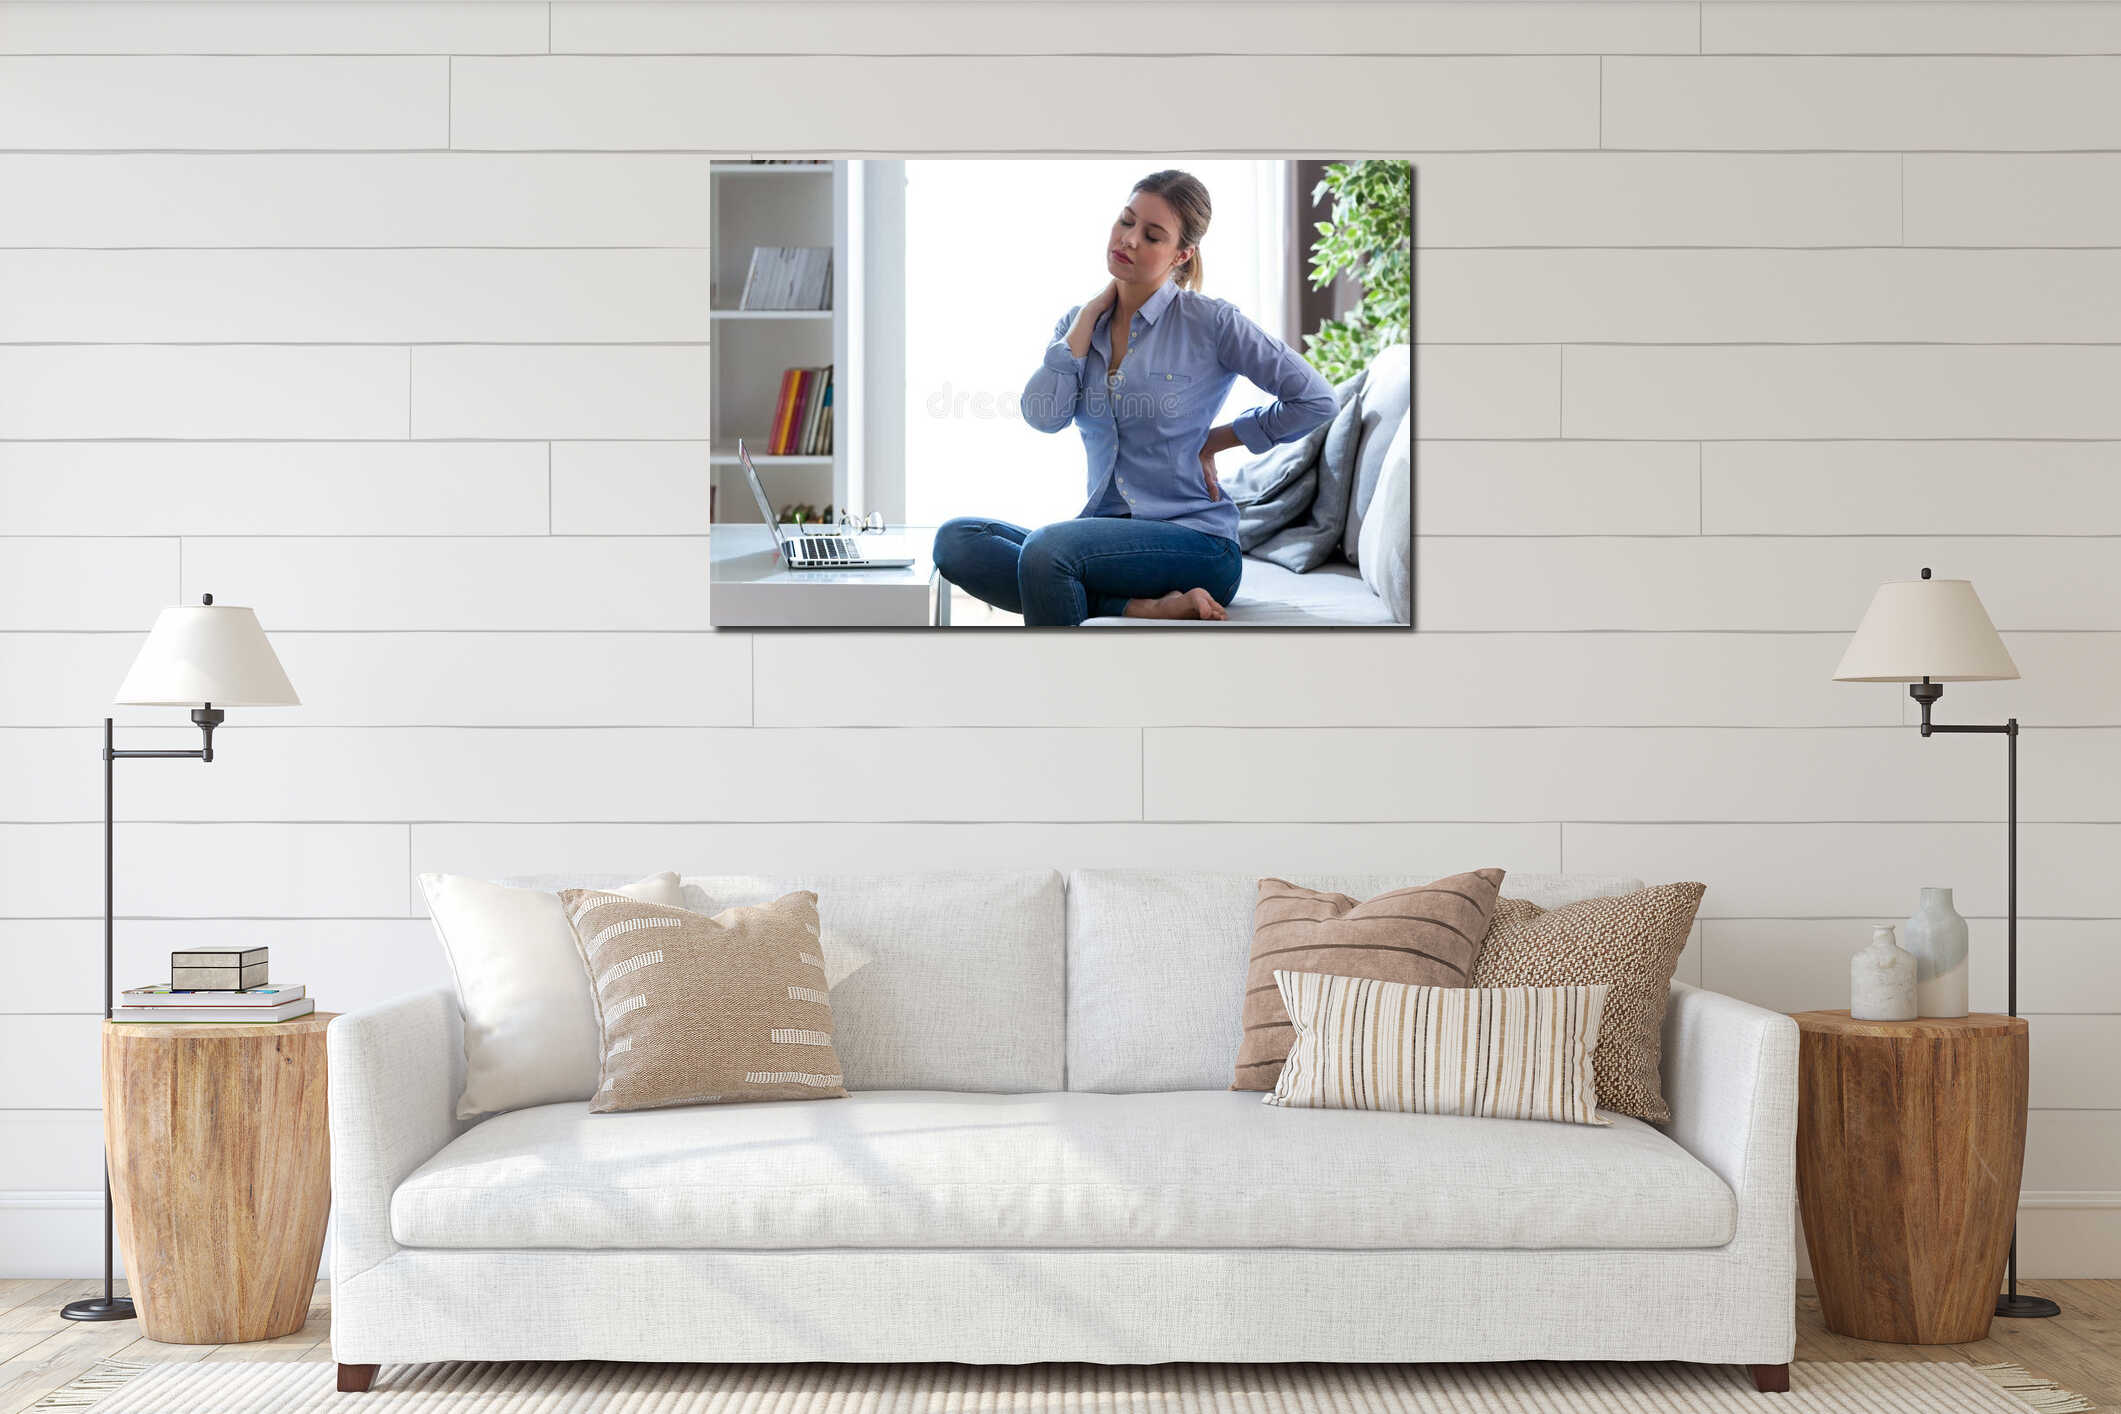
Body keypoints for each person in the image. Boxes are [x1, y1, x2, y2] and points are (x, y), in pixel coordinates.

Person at [932, 169, 1338, 626]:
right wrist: (1085, 321)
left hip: (1196, 543)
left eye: (1152, 235)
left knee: (1048, 550)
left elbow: (1317, 399)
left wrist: (1219, 439)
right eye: (1126, 222)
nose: (1128, 240)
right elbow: (1043, 416)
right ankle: (1133, 606)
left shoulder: (1210, 322)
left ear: (1181, 253)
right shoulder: (1081, 324)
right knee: (956, 540)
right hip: (1107, 539)